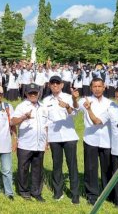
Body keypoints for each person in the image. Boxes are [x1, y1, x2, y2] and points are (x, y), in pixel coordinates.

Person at [44, 75, 80, 203]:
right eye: (52, 83)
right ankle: (58, 192)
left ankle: (75, 194)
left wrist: (67, 106)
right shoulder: (46, 101)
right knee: (57, 165)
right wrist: (46, 140)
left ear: (62, 85)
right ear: (49, 85)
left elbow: (75, 113)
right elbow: (46, 121)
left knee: (72, 165)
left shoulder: (68, 97)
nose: (55, 85)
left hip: (69, 136)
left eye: (57, 83)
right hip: (54, 137)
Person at [78, 78, 114, 205]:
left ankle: (108, 194)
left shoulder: (110, 103)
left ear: (104, 87)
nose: (97, 89)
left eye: (100, 86)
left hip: (107, 140)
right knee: (91, 169)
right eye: (95, 86)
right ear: (91, 87)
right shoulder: (85, 101)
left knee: (107, 169)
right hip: (90, 139)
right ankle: (92, 195)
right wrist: (73, 98)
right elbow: (75, 107)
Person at [10, 86, 48, 202]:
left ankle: (36, 192)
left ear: (39, 93)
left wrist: (47, 141)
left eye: (35, 93)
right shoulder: (22, 106)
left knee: (38, 169)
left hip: (39, 144)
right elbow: (12, 121)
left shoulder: (43, 107)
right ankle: (24, 191)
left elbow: (46, 126)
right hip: (25, 144)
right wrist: (24, 117)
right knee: (23, 169)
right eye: (30, 93)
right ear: (26, 94)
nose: (33, 95)